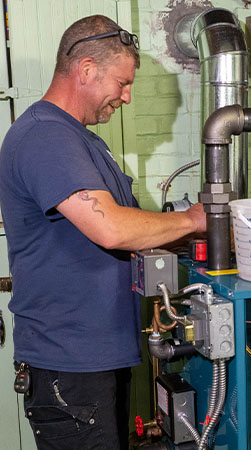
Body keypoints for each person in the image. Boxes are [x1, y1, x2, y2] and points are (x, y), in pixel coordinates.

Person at [0, 15, 206, 450]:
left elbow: (125, 225)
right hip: (70, 364)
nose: (126, 97)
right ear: (87, 69)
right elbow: (110, 227)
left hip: (97, 356)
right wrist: (193, 220)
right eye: (123, 82)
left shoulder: (83, 140)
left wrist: (187, 238)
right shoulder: (45, 135)